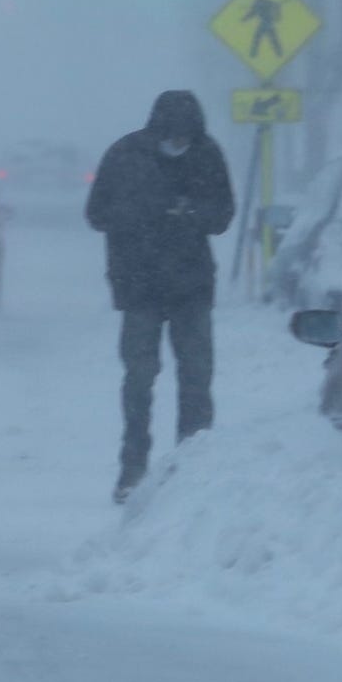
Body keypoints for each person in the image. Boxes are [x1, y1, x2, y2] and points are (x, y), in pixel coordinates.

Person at [85, 90, 237, 500]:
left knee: (196, 378)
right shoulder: (125, 155)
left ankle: (193, 468)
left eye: (186, 137)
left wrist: (191, 213)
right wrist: (143, 213)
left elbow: (223, 214)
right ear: (157, 130)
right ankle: (132, 468)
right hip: (139, 286)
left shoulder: (206, 155)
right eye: (173, 137)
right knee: (139, 378)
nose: (179, 144)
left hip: (192, 286)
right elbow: (96, 213)